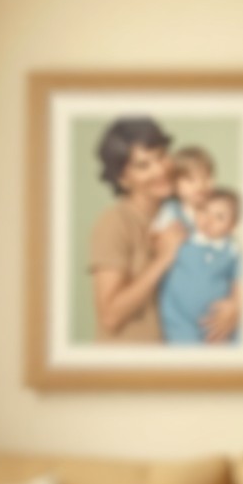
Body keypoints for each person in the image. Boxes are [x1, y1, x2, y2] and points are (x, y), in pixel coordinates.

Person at [87, 117, 186, 342]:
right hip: (125, 369)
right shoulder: (114, 222)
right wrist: (164, 258)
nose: (160, 170)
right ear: (123, 179)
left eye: (161, 156)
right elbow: (111, 317)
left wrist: (237, 303)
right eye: (143, 165)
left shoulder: (182, 212)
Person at [158, 188, 243, 344]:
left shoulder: (232, 251)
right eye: (204, 211)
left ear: (232, 226)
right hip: (180, 324)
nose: (208, 220)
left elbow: (240, 282)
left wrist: (235, 303)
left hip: (217, 327)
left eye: (220, 217)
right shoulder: (182, 239)